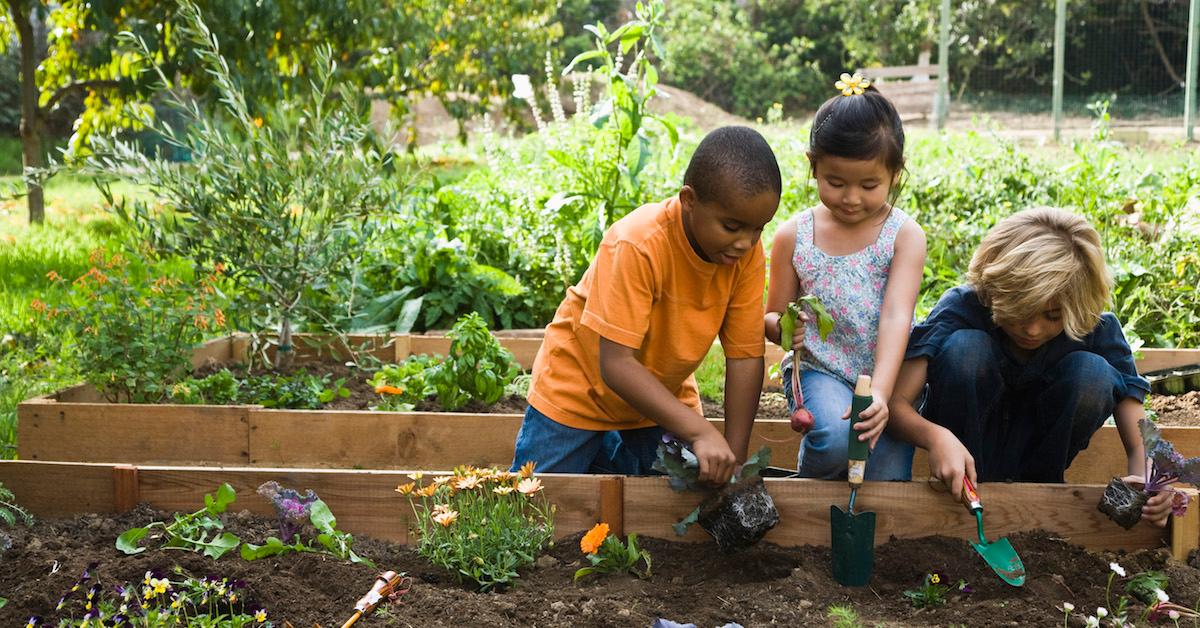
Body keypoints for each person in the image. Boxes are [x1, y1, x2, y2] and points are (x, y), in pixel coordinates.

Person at [511, 125, 781, 485]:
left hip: (660, 396)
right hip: (579, 387)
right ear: (689, 200)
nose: (746, 243)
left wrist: (733, 458)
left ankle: (606, 453)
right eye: (731, 226)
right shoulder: (638, 244)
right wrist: (701, 432)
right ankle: (599, 448)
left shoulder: (743, 254)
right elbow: (616, 365)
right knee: (536, 501)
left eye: (758, 229)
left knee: (671, 501)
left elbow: (745, 357)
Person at [887, 207, 1172, 526]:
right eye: (1021, 312)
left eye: (1052, 316)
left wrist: (1150, 482)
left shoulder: (1095, 329)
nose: (1033, 329)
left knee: (1092, 373)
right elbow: (896, 407)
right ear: (994, 291)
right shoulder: (963, 308)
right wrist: (935, 437)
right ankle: (969, 488)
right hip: (963, 466)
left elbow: (1140, 438)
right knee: (966, 349)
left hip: (1042, 459)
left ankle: (1040, 492)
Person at [764, 73, 926, 479]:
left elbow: (895, 318)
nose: (851, 198)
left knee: (885, 483)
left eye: (869, 184)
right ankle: (808, 507)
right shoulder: (793, 236)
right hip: (822, 370)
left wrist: (883, 395)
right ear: (813, 166)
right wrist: (784, 328)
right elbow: (771, 316)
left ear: (895, 174)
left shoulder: (903, 236)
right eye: (835, 182)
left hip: (886, 373)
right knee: (836, 440)